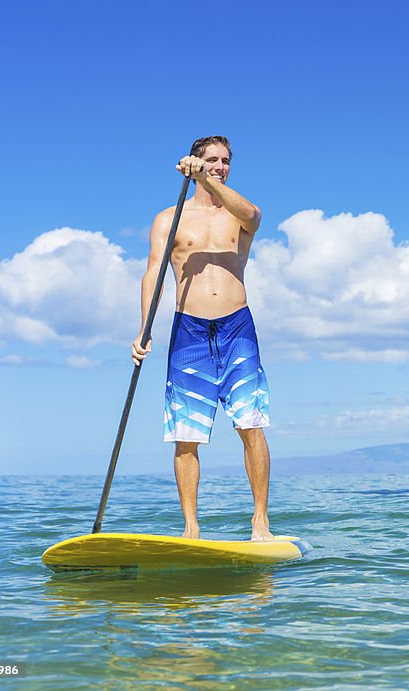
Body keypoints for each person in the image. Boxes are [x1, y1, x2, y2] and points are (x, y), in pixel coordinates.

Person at [131, 135, 273, 541]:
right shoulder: (168, 218)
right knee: (186, 435)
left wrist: (210, 183)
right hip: (188, 329)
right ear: (195, 162)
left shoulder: (238, 213)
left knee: (251, 425)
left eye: (225, 160)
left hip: (237, 327)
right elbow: (153, 273)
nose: (220, 165)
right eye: (211, 160)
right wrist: (144, 329)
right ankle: (191, 529)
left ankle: (259, 521)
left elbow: (254, 214)